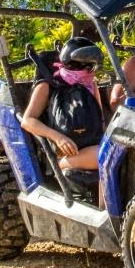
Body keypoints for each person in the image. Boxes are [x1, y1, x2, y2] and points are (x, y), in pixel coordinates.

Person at [24, 37, 108, 199]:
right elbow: (28, 120)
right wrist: (58, 137)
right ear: (74, 63)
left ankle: (108, 213)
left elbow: (101, 122)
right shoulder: (48, 85)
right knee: (107, 156)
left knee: (117, 153)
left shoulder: (90, 84)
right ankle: (108, 217)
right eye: (87, 65)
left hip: (91, 146)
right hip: (63, 155)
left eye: (92, 65)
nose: (91, 70)